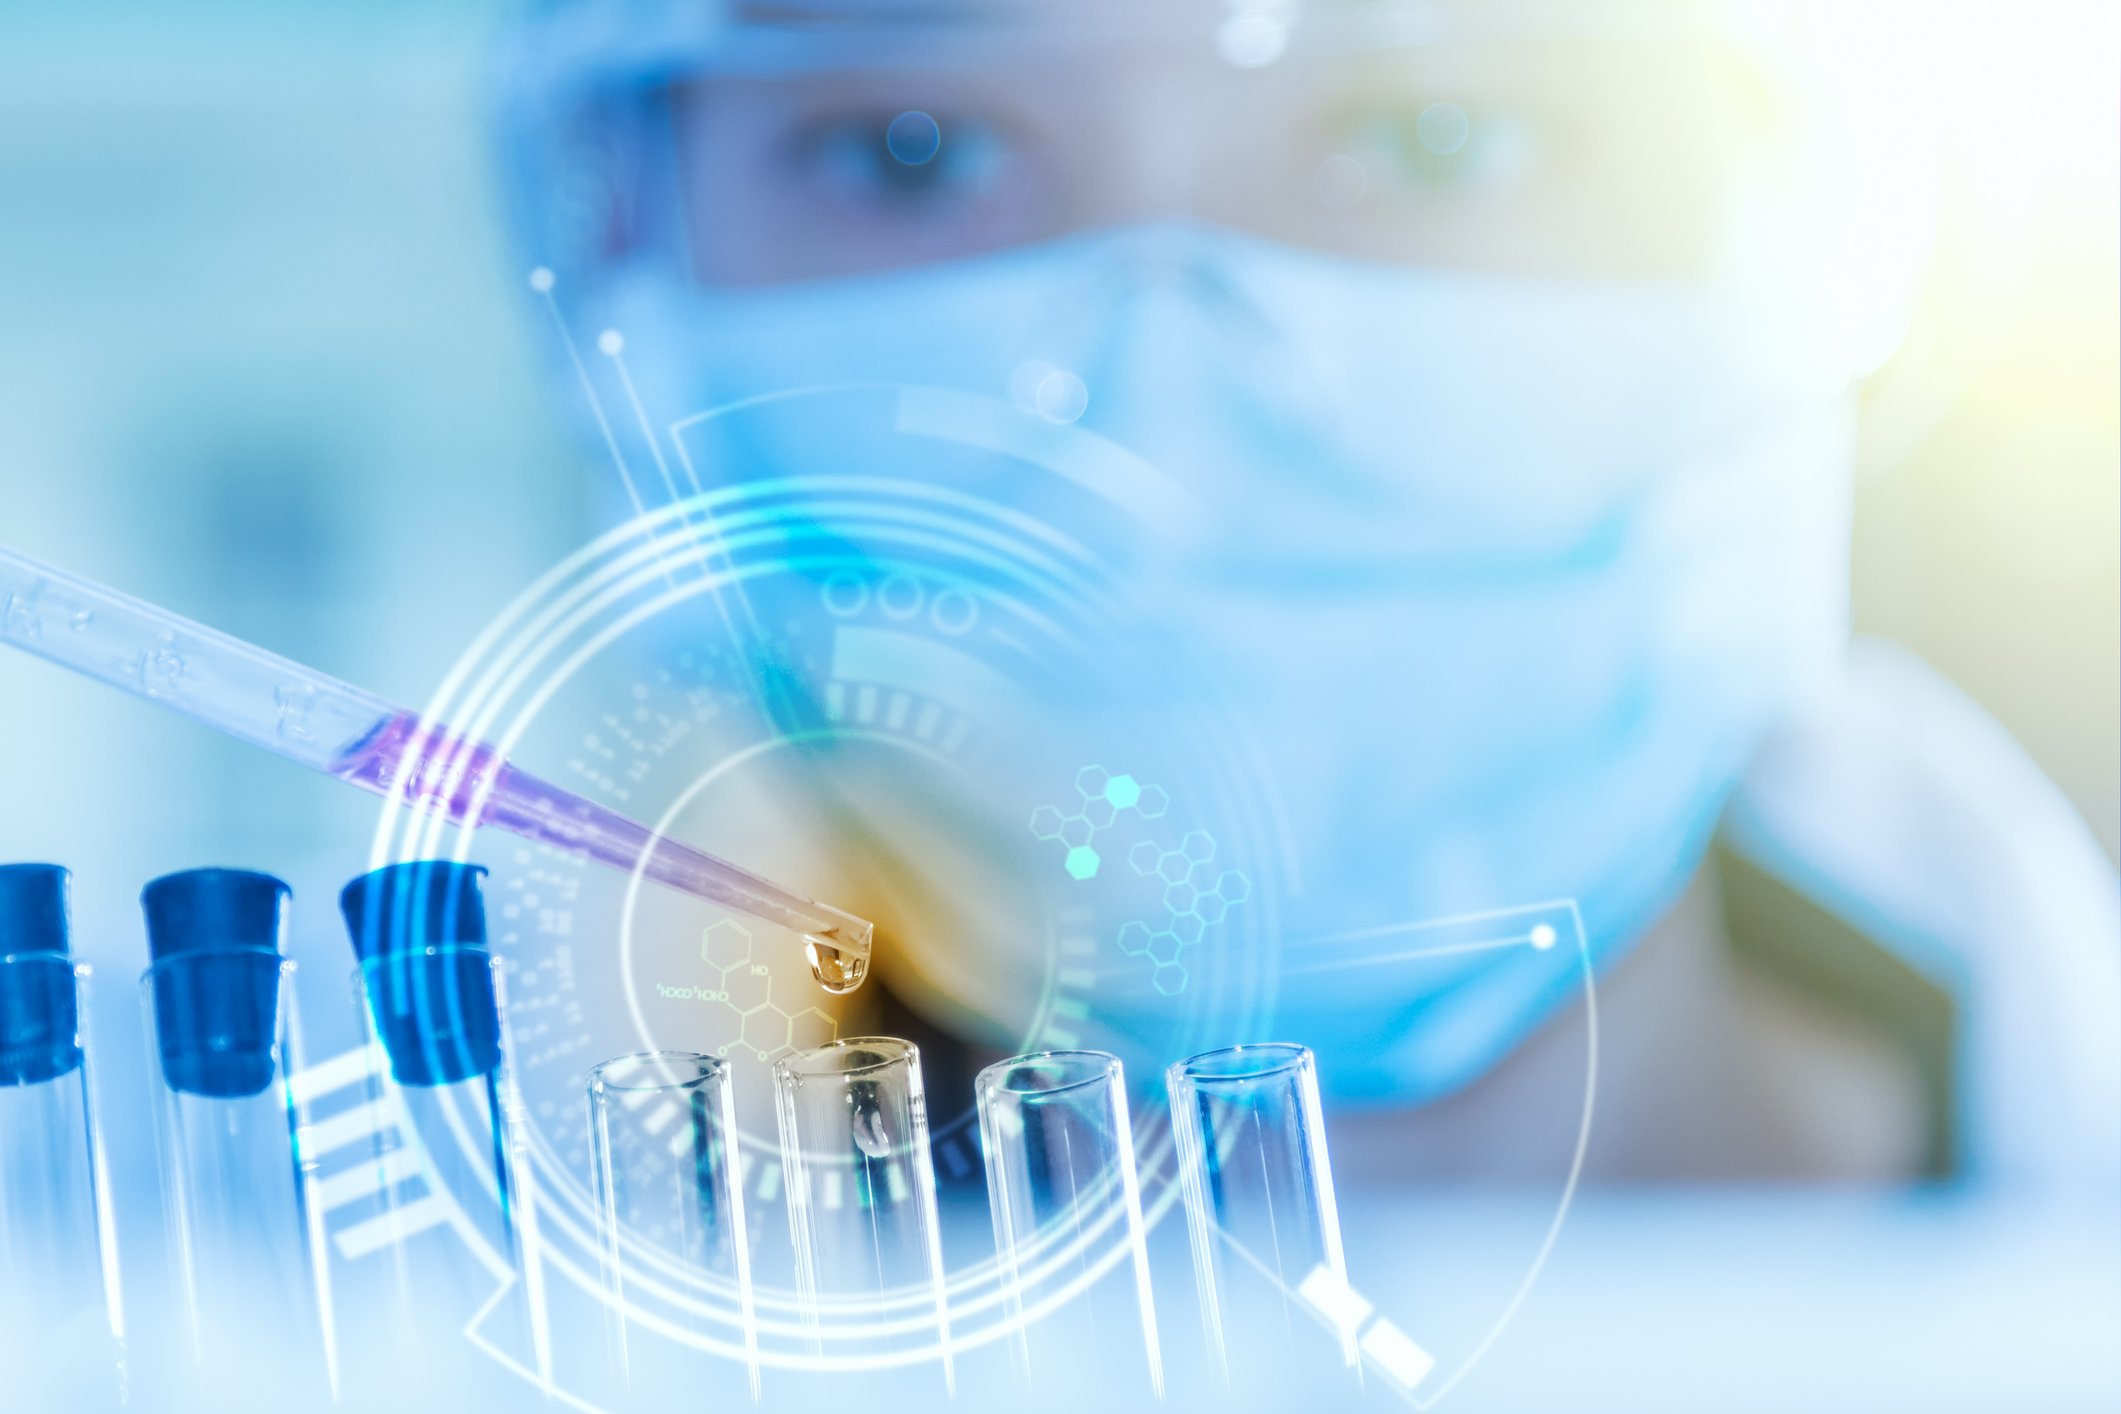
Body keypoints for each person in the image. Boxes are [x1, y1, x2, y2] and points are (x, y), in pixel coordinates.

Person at [493, 0, 2119, 1188]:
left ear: (1817, 216)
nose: (1172, 412)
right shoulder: (305, 1295)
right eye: (913, 151)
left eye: (1437, 136)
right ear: (617, 222)